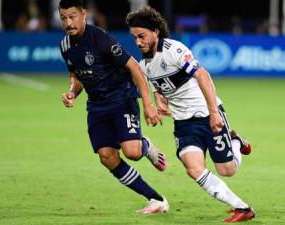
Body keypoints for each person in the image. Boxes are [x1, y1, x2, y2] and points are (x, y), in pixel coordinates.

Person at [126, 6, 255, 222]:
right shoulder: (144, 66)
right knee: (194, 169)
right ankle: (243, 208)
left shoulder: (174, 49)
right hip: (184, 124)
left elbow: (203, 75)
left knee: (227, 170)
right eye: (135, 38)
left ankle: (235, 142)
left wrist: (214, 112)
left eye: (142, 36)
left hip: (207, 114)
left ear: (156, 31)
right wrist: (160, 102)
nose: (138, 42)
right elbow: (160, 89)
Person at [58, 0, 169, 214]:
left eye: (72, 16)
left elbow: (135, 68)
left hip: (121, 98)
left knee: (133, 153)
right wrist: (72, 92)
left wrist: (148, 104)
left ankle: (144, 144)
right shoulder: (65, 46)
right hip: (97, 105)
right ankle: (155, 199)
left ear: (84, 14)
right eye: (64, 18)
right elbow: (77, 76)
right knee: (107, 157)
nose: (68, 22)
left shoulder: (100, 39)